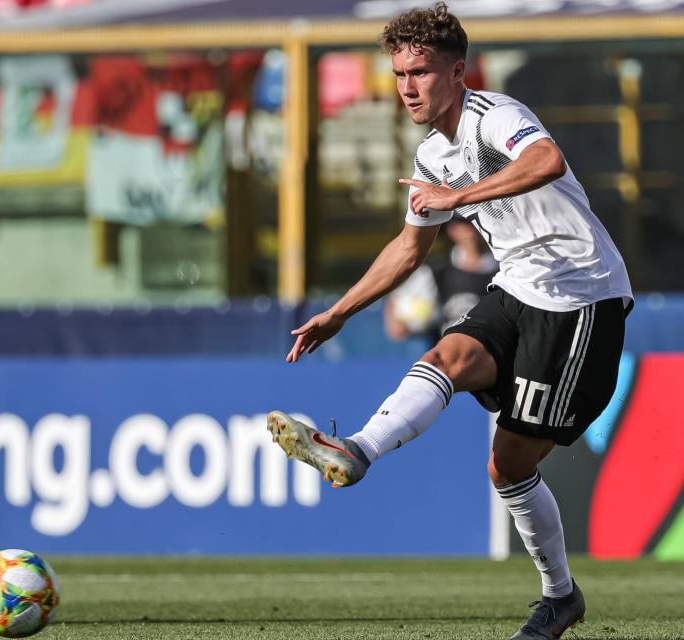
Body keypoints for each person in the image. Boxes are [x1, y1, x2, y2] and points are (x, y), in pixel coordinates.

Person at [267, 4, 632, 639]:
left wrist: (456, 198)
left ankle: (560, 595)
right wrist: (339, 313)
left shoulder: (498, 115)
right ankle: (357, 450)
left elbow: (546, 161)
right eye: (399, 73)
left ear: (457, 70)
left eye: (421, 72)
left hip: (581, 298)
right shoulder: (432, 152)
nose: (408, 87)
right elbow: (410, 247)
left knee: (508, 466)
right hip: (517, 284)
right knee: (446, 358)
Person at [384, 215, 499, 344]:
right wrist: (398, 321)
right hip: (447, 356)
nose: (470, 229)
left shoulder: (507, 269)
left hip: (496, 356)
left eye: (475, 221)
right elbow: (394, 302)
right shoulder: (435, 271)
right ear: (451, 230)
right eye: (463, 223)